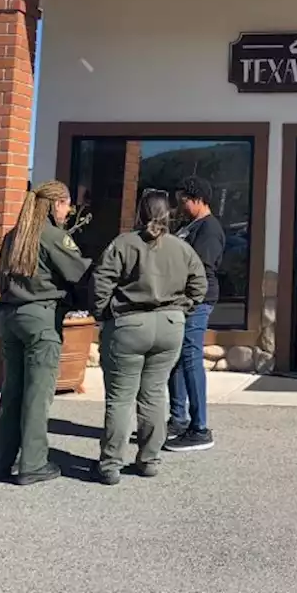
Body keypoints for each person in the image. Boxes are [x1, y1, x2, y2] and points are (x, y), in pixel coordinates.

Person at [90, 191, 207, 485]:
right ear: (168, 214)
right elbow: (200, 284)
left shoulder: (123, 244)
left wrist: (104, 313)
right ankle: (149, 459)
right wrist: (182, 310)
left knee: (120, 398)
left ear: (140, 213)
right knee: (154, 394)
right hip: (169, 325)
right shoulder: (181, 248)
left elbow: (100, 281)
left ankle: (110, 464)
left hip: (129, 324)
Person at [0, 180, 89, 486]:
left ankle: (3, 459)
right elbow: (80, 272)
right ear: (55, 204)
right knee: (37, 395)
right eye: (66, 204)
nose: (69, 210)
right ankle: (33, 463)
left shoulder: (13, 236)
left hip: (9, 317)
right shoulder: (52, 236)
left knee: (12, 392)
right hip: (41, 320)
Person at [165, 176, 225, 453]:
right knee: (177, 358)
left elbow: (201, 267)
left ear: (199, 199)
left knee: (190, 358)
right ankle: (178, 419)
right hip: (181, 301)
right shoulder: (190, 226)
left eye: (184, 201)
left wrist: (188, 296)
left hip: (197, 301)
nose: (181, 206)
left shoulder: (210, 229)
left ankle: (199, 427)